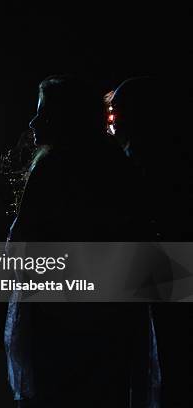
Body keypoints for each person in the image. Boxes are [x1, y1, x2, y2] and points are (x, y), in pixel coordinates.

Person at [5, 75, 159, 407]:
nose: (33, 121)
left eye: (42, 112)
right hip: (111, 324)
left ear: (63, 118)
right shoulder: (116, 163)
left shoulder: (51, 168)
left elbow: (23, 249)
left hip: (62, 326)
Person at [110, 76, 193, 407]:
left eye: (119, 111)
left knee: (162, 353)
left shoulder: (139, 160)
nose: (114, 120)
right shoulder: (161, 154)